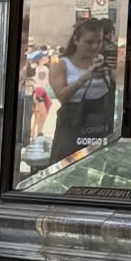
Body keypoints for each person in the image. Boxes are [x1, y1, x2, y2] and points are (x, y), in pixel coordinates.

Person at [48, 20, 116, 163]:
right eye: (89, 42)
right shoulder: (61, 64)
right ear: (76, 40)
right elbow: (62, 96)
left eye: (99, 42)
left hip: (100, 127)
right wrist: (86, 76)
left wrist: (113, 70)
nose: (95, 47)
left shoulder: (103, 61)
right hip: (72, 127)